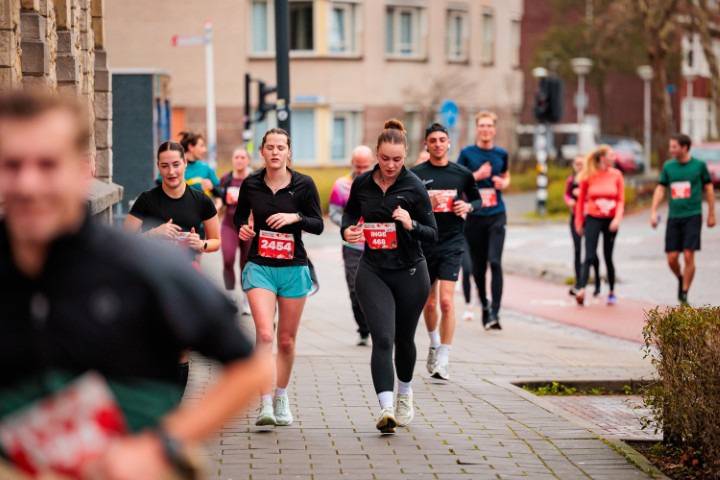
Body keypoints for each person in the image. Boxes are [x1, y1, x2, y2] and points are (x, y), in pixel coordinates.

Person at [0, 90, 269, 479]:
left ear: (83, 171)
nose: (27, 184)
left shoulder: (143, 266)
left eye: (47, 165)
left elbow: (251, 369)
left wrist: (165, 443)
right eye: (11, 165)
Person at [342, 119, 437, 434]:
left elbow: (432, 233)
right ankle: (386, 409)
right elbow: (349, 214)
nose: (391, 165)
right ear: (376, 154)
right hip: (373, 270)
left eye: (397, 159)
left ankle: (405, 394)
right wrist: (348, 230)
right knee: (382, 338)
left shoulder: (414, 187)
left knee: (404, 339)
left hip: (410, 272)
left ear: (405, 155)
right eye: (385, 158)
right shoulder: (362, 184)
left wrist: (411, 224)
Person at [234, 128, 323, 427]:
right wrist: (243, 229)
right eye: (270, 147)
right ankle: (264, 402)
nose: (275, 152)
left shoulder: (304, 184)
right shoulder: (251, 184)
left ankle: (281, 396)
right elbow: (239, 217)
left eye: (280, 147)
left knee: (285, 341)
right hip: (260, 265)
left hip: (293, 268)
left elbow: (318, 224)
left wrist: (295, 217)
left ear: (288, 152)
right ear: (262, 151)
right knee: (264, 335)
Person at [411, 123, 480, 381]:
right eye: (433, 140)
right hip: (425, 242)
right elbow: (406, 204)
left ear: (449, 143)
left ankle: (444, 358)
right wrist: (425, 204)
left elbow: (476, 199)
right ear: (426, 145)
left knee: (447, 302)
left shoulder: (462, 174)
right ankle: (434, 343)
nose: (438, 144)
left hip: (452, 241)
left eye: (442, 140)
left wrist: (468, 207)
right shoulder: (416, 174)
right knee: (429, 302)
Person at [458, 111, 511, 330]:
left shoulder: (502, 154)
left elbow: (506, 175)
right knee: (478, 270)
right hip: (474, 217)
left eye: (489, 126)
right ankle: (486, 306)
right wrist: (476, 176)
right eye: (482, 125)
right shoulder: (467, 154)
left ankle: (495, 313)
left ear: (494, 129)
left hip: (496, 214)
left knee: (495, 262)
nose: (486, 129)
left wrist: (504, 183)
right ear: (477, 128)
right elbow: (458, 181)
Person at [650, 134, 716, 304]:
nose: (671, 150)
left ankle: (684, 293)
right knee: (672, 258)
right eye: (670, 146)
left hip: (693, 215)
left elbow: (709, 189)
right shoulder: (668, 166)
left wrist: (711, 213)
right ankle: (681, 278)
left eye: (674, 147)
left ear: (685, 147)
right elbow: (660, 189)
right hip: (674, 217)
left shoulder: (699, 166)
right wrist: (653, 211)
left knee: (688, 255)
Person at [329, 145, 375, 346]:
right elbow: (334, 213)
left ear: (372, 163)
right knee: (355, 289)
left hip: (378, 245)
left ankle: (378, 326)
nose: (362, 170)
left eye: (365, 166)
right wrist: (348, 225)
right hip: (353, 245)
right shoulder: (341, 185)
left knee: (375, 290)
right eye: (358, 166)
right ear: (352, 163)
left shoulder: (381, 183)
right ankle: (363, 329)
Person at [574, 145, 625, 306]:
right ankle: (581, 289)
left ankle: (611, 291)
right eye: (611, 155)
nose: (614, 158)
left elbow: (621, 200)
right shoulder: (589, 175)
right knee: (589, 255)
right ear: (602, 158)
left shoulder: (616, 175)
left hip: (610, 220)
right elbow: (580, 201)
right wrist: (579, 222)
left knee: (608, 256)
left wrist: (617, 219)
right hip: (593, 218)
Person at [219, 147, 253, 313]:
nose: (239, 160)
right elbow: (219, 200)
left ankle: (247, 298)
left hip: (248, 227)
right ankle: (230, 295)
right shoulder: (226, 179)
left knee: (246, 264)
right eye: (236, 157)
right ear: (232, 160)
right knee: (228, 258)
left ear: (248, 160)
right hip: (229, 225)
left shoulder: (255, 179)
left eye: (242, 157)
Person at [565, 155, 601, 297]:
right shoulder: (571, 180)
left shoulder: (589, 179)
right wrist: (569, 201)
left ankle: (597, 281)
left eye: (581, 163)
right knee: (577, 250)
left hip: (589, 218)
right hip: (575, 218)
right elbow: (567, 195)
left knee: (591, 252)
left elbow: (595, 196)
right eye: (577, 164)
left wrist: (582, 194)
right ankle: (579, 282)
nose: (579, 166)